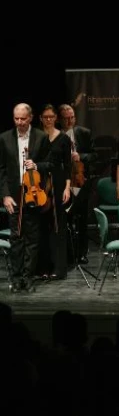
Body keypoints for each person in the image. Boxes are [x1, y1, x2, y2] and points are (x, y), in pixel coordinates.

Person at [0, 103, 48, 292]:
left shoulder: (41, 137)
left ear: (31, 118)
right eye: (16, 118)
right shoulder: (4, 138)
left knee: (32, 239)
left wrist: (37, 166)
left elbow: (50, 163)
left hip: (33, 193)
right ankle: (16, 278)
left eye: (23, 118)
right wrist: (5, 195)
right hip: (14, 195)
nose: (19, 122)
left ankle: (28, 278)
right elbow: (1, 170)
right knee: (16, 238)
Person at [38, 104, 72, 280]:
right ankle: (43, 267)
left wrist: (67, 187)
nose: (49, 119)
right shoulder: (37, 137)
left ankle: (59, 268)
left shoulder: (64, 138)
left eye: (51, 116)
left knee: (58, 226)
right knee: (43, 226)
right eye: (45, 117)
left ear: (56, 118)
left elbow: (68, 165)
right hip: (40, 183)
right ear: (40, 118)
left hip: (58, 183)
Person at [60, 103, 95, 265]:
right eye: (66, 118)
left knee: (81, 220)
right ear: (60, 119)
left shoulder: (84, 133)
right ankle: (67, 253)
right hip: (63, 183)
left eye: (72, 117)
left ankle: (82, 253)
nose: (69, 121)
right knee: (65, 219)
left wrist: (80, 156)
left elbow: (94, 156)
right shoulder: (54, 135)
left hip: (80, 182)